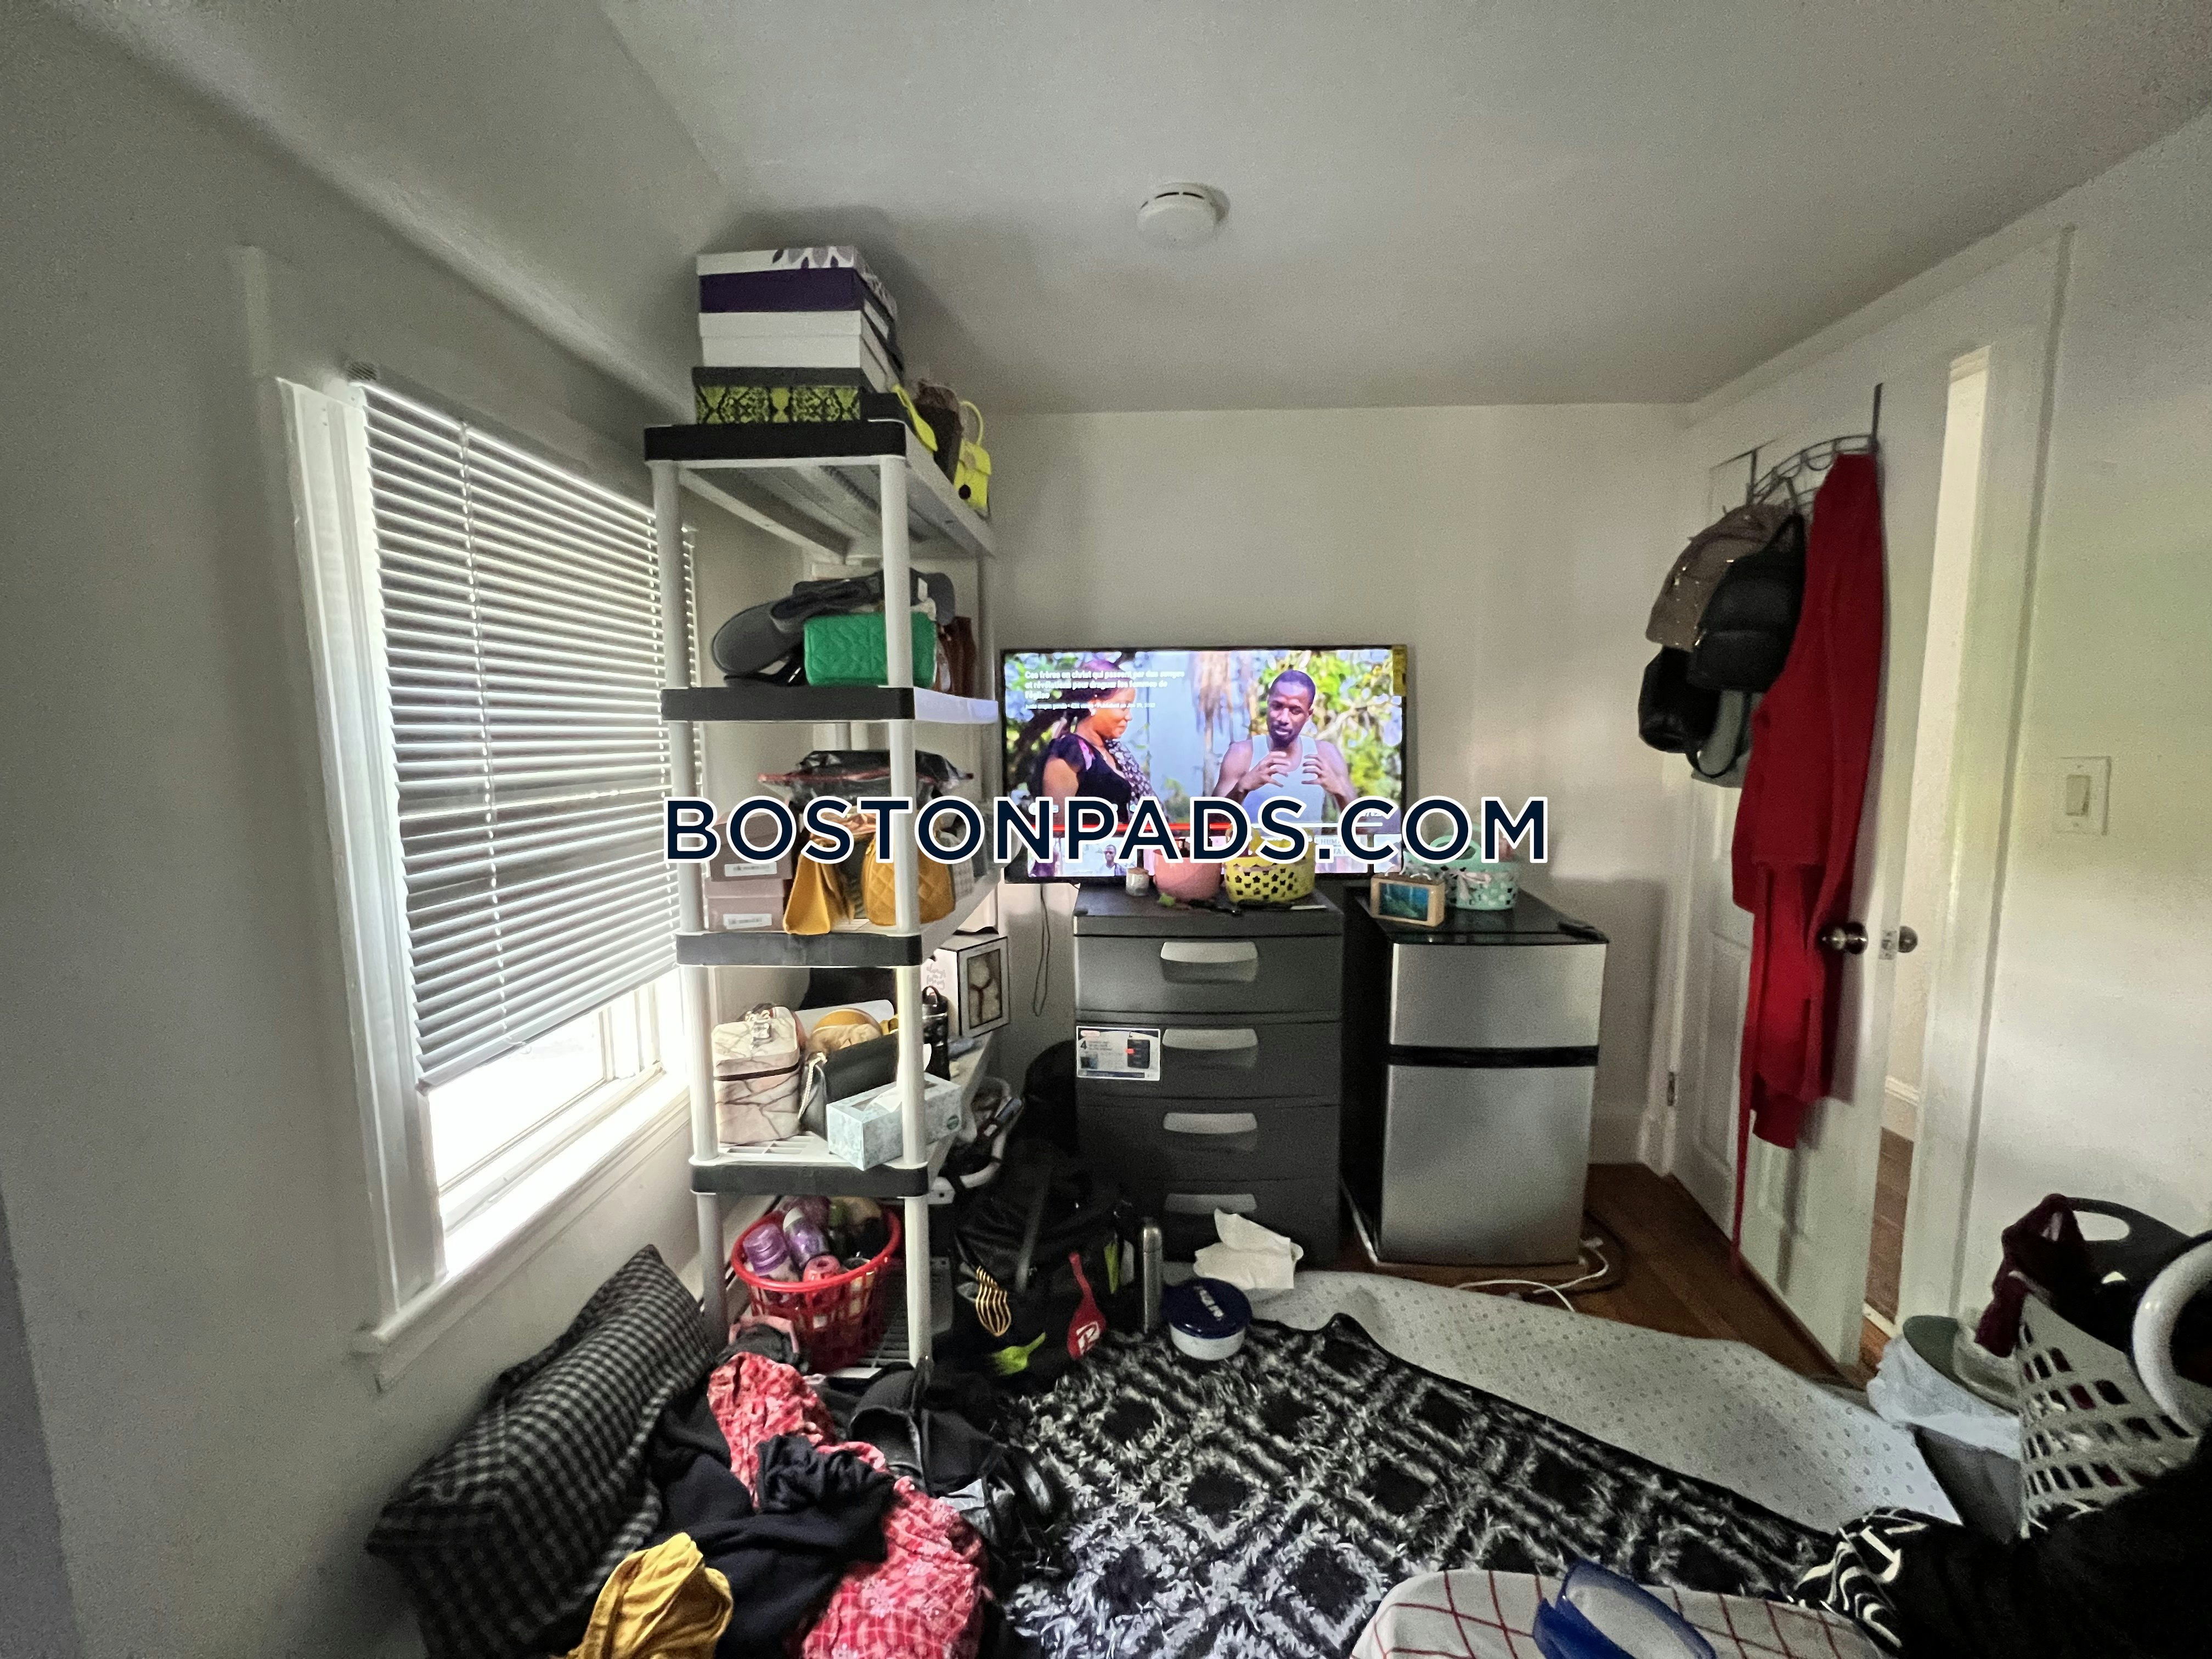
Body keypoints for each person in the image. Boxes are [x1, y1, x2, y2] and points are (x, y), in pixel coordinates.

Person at [1216, 668, 1355, 818]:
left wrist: (1340, 792)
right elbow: (1211, 825)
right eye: (1277, 706)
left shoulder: (1325, 754)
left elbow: (1363, 826)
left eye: (1295, 711)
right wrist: (1241, 788)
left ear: (1308, 715)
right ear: (1268, 704)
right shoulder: (1242, 754)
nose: (1283, 718)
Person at [1035, 658, 1153, 814]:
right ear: (1095, 704)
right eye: (1123, 707)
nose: (1129, 717)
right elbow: (1057, 824)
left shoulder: (1116, 753)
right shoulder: (1070, 751)